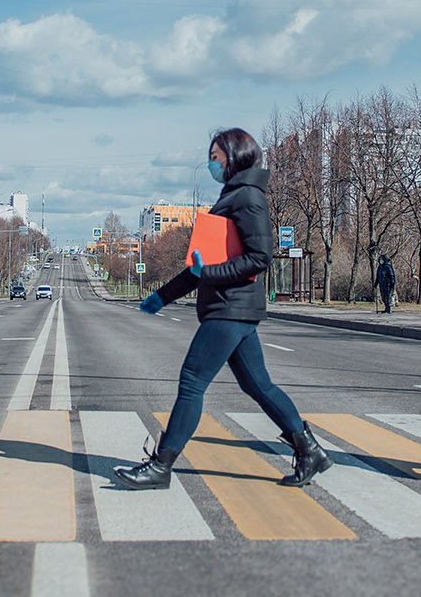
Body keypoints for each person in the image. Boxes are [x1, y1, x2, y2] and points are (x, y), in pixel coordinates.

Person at [114, 128, 332, 491]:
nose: (211, 164)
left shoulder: (247, 197)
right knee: (258, 385)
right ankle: (309, 450)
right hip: (232, 308)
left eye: (215, 157)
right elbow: (201, 265)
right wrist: (162, 297)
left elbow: (259, 258)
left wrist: (209, 274)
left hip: (230, 308)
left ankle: (161, 466)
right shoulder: (232, 196)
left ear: (234, 157)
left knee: (192, 382)